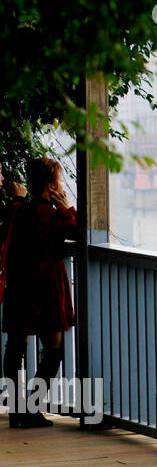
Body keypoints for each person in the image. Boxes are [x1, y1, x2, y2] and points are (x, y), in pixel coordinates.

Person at [2, 158, 76, 429]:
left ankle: (16, 410)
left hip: (20, 285)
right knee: (53, 350)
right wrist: (67, 206)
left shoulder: (18, 211)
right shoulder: (56, 216)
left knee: (14, 349)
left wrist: (16, 198)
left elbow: (13, 216)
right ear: (50, 183)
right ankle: (32, 407)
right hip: (48, 288)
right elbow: (77, 231)